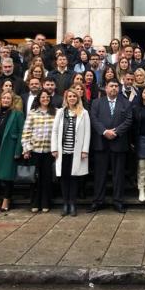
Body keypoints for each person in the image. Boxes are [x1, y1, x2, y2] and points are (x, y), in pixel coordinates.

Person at [89, 79, 133, 213]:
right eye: (111, 86)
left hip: (118, 142)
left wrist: (116, 132)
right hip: (101, 143)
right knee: (100, 174)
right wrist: (104, 131)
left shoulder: (125, 103)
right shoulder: (97, 102)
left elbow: (129, 120)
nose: (114, 88)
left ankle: (118, 201)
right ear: (106, 88)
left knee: (118, 175)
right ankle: (98, 201)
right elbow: (93, 119)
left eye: (116, 86)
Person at [51, 89, 90, 217]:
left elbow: (87, 133)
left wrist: (85, 150)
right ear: (66, 99)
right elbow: (55, 131)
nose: (72, 98)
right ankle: (65, 203)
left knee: (74, 178)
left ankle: (73, 204)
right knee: (63, 177)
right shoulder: (61, 112)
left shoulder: (83, 113)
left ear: (78, 98)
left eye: (74, 96)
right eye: (70, 96)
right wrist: (54, 148)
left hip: (77, 152)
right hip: (63, 151)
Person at [0, 90, 24, 213]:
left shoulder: (17, 114)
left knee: (7, 176)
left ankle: (6, 200)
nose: (6, 100)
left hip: (8, 148)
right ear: (0, 99)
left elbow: (20, 133)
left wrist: (18, 150)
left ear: (12, 101)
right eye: (4, 98)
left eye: (8, 98)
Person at [21, 91, 57, 213]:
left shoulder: (56, 112)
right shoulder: (32, 113)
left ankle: (46, 202)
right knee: (35, 178)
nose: (45, 99)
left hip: (49, 151)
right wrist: (26, 149)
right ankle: (35, 202)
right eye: (43, 97)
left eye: (47, 97)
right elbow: (26, 132)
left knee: (47, 178)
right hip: (35, 150)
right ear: (39, 99)